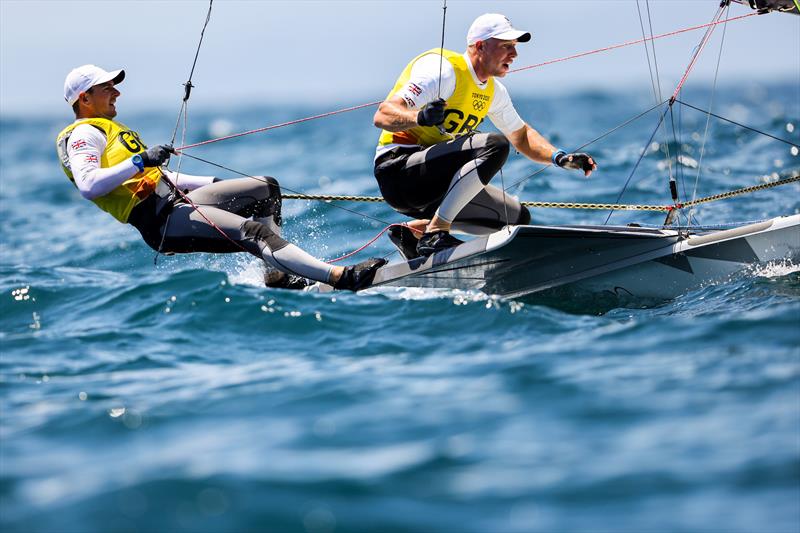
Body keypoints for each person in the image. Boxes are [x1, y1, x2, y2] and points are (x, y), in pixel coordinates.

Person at [56, 65, 384, 291]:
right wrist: (141, 160)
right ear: (84, 98)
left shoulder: (109, 129)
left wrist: (211, 184)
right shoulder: (83, 134)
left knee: (265, 188)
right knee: (254, 233)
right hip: (160, 220)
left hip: (173, 200)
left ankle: (278, 279)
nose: (116, 93)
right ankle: (342, 277)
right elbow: (89, 185)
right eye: (107, 88)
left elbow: (161, 176)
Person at [373, 13, 597, 257]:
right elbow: (383, 114)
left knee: (515, 218)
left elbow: (521, 136)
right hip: (400, 173)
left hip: (436, 185)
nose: (514, 54)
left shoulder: (493, 91)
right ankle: (435, 233)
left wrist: (559, 158)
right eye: (506, 46)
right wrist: (419, 117)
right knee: (494, 145)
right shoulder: (444, 71)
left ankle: (414, 233)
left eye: (515, 47)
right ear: (480, 46)